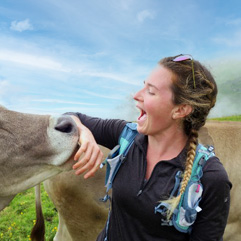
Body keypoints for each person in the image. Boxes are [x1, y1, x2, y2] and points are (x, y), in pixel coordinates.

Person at [66, 54, 231, 241]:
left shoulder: (211, 178)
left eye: (150, 91)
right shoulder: (128, 135)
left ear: (180, 110)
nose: (136, 95)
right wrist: (84, 132)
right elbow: (70, 116)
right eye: (144, 85)